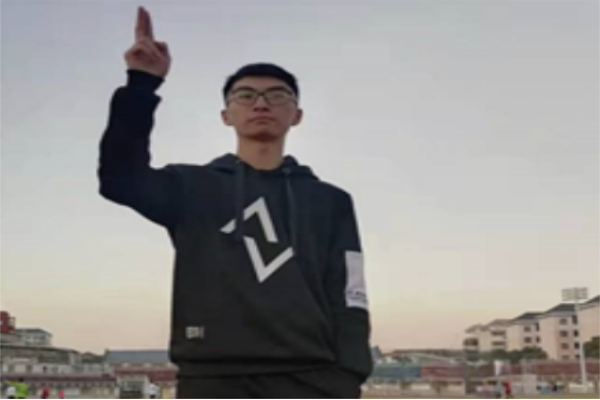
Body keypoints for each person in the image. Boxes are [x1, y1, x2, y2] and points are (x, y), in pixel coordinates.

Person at [98, 6, 372, 400]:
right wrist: (142, 83)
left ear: (297, 115)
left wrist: (348, 377)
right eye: (245, 96)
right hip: (211, 378)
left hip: (313, 378)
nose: (261, 104)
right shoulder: (190, 187)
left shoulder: (331, 200)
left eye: (277, 95)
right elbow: (119, 178)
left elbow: (350, 292)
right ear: (226, 115)